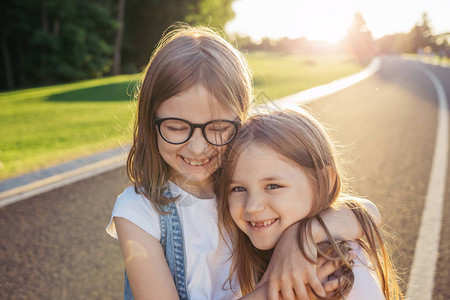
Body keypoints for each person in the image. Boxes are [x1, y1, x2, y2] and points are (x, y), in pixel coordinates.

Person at [106, 24, 381, 300]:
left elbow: (368, 213)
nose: (198, 147)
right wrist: (276, 286)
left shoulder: (247, 187)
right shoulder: (137, 211)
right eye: (176, 127)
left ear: (241, 119)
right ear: (149, 121)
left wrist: (300, 240)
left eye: (217, 127)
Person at [216, 108, 403, 299]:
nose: (252, 207)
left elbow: (369, 212)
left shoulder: (331, 271)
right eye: (238, 189)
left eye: (273, 186)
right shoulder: (243, 248)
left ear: (324, 182)